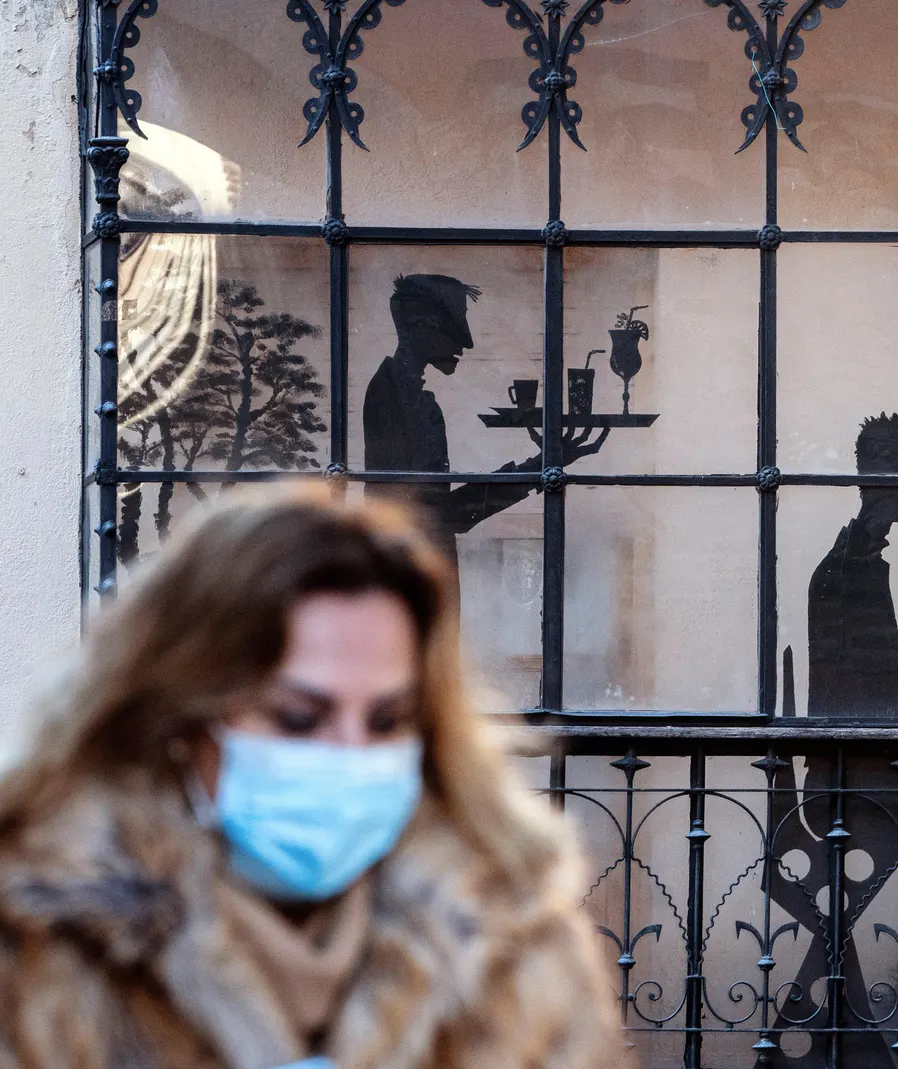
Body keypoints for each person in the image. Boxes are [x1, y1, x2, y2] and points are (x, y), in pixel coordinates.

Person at [0, 488, 617, 1068]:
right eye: (298, 719)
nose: (351, 752)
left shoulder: (515, 945)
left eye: (387, 720)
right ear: (182, 718)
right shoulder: (31, 946)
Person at [362, 274, 605, 567]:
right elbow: (430, 516)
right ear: (418, 325)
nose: (467, 342)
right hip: (409, 574)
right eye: (454, 322)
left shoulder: (402, 393)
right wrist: (537, 468)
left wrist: (538, 467)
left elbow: (432, 513)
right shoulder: (393, 395)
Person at [805, 412, 898, 717]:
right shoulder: (844, 570)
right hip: (854, 758)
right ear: (894, 481)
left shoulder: (855, 562)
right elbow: (863, 672)